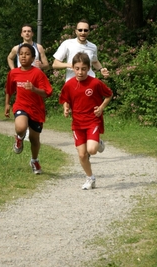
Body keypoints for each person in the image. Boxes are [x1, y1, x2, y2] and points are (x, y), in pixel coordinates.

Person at [59, 52, 113, 190]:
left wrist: (101, 108)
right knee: (82, 154)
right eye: (77, 68)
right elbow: (66, 99)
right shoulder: (69, 85)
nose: (80, 72)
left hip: (92, 121)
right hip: (77, 123)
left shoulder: (95, 83)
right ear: (72, 68)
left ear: (89, 68)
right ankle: (90, 178)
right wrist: (66, 108)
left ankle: (97, 143)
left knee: (92, 150)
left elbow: (109, 95)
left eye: (83, 69)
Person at [5, 43, 53, 174]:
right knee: (21, 127)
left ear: (33, 58)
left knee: (34, 139)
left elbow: (47, 92)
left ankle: (34, 160)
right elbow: (9, 90)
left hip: (36, 109)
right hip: (21, 105)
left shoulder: (38, 74)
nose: (23, 57)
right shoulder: (13, 73)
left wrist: (34, 89)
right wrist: (7, 104)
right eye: (21, 54)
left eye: (27, 54)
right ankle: (19, 138)